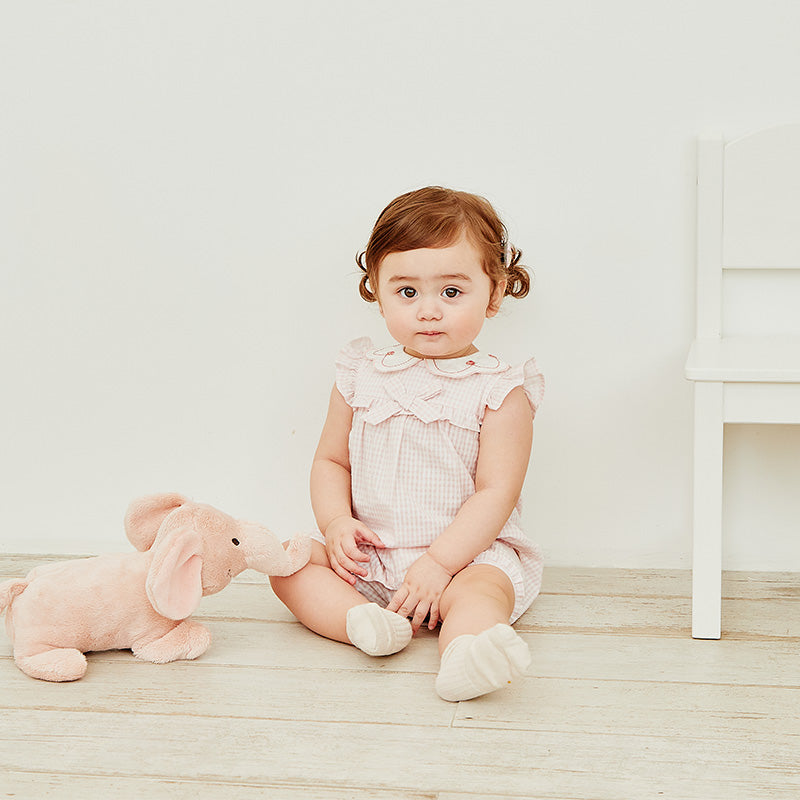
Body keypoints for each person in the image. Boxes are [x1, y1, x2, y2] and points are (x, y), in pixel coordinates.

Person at [270, 186, 544, 701]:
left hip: (466, 558)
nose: (429, 312)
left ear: (495, 292)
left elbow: (496, 493)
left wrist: (440, 564)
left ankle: (468, 650)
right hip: (373, 559)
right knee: (290, 565)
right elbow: (331, 460)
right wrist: (334, 525)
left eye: (452, 292)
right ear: (376, 289)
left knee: (483, 592)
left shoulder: (500, 391)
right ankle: (365, 624)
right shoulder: (360, 375)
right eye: (407, 292)